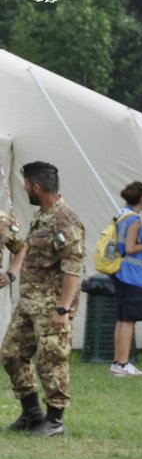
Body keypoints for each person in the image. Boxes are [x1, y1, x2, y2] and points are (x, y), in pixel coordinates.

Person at [2, 161, 84, 437]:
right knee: (11, 354)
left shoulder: (65, 220)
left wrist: (62, 309)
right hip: (29, 305)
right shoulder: (42, 216)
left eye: (26, 184)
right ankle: (32, 413)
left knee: (52, 360)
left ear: (36, 186)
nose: (24, 188)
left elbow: (72, 267)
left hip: (52, 306)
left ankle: (55, 419)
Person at [109, 180, 142, 377]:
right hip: (132, 275)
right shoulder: (134, 220)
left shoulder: (121, 215)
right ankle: (123, 363)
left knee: (123, 319)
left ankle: (118, 362)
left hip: (121, 273)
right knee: (129, 321)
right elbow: (130, 248)